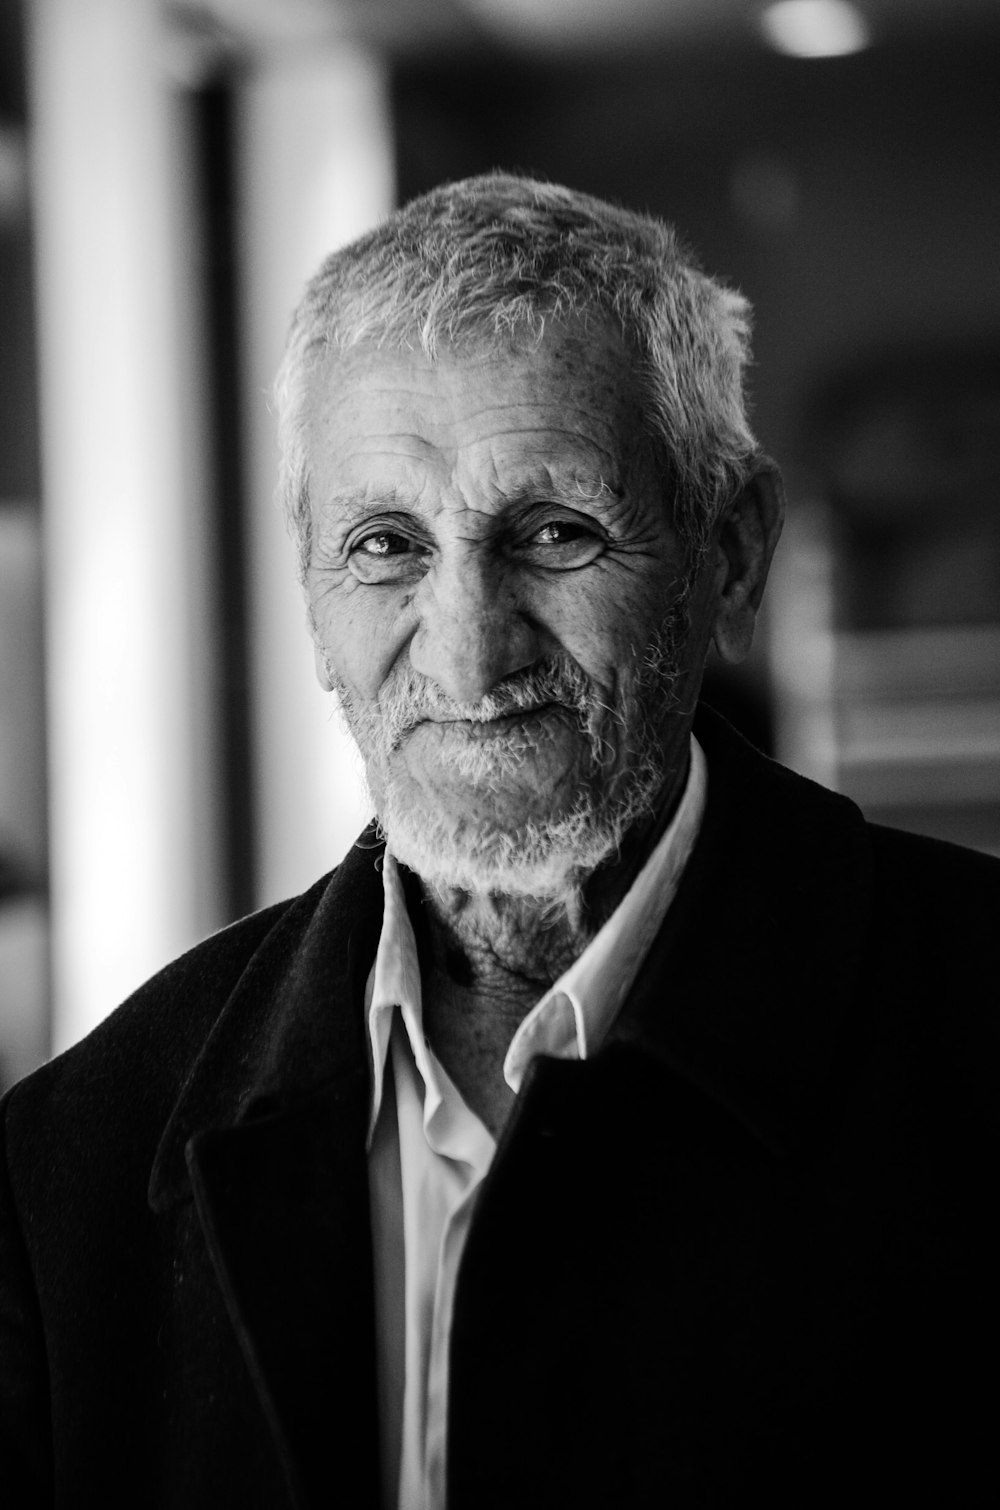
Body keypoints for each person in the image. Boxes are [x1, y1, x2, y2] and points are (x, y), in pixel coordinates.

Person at [1, 173, 997, 1510]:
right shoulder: (72, 1167)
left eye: (554, 533)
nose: (469, 649)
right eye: (388, 545)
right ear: (310, 591)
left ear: (734, 552)